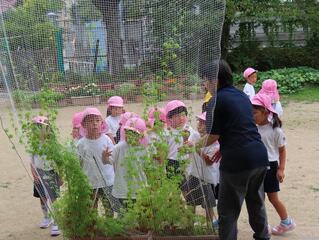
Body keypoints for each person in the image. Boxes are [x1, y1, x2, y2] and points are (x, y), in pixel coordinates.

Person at [200, 60, 270, 240]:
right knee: (256, 204)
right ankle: (263, 237)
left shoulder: (215, 100)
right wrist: (223, 149)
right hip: (259, 157)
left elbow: (212, 136)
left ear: (214, 80)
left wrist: (192, 145)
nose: (204, 84)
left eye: (206, 80)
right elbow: (239, 127)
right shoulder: (242, 96)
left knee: (228, 211)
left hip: (237, 162)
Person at [251, 93, 296, 235]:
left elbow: (282, 151)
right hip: (256, 167)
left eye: (255, 113)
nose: (252, 116)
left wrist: (281, 169)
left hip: (270, 168)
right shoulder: (254, 128)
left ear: (265, 111)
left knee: (273, 198)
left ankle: (286, 222)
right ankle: (263, 225)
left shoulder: (275, 130)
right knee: (259, 198)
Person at [77, 107, 120, 215]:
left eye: (97, 121)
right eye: (91, 121)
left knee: (109, 208)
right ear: (84, 124)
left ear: (102, 123)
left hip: (108, 180)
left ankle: (109, 228)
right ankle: (95, 228)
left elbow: (113, 160)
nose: (95, 124)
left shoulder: (106, 140)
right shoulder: (81, 144)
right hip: (89, 182)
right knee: (91, 209)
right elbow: (78, 162)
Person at [182, 112, 220, 227]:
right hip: (194, 174)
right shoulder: (195, 136)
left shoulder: (216, 143)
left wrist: (195, 148)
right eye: (199, 122)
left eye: (203, 123)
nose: (199, 125)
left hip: (207, 178)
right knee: (190, 201)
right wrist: (184, 147)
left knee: (208, 204)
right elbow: (188, 149)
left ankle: (209, 227)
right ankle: (189, 226)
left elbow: (209, 161)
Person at [103, 117, 148, 208]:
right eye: (127, 132)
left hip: (139, 187)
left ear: (141, 135)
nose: (129, 136)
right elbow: (108, 161)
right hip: (122, 189)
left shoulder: (144, 149)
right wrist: (104, 157)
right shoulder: (119, 147)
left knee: (140, 213)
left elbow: (147, 168)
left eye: (133, 133)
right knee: (126, 213)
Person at [30, 116, 61, 236]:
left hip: (51, 173)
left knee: (53, 199)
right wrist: (34, 174)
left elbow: (59, 162)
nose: (35, 131)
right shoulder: (33, 144)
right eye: (34, 128)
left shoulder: (53, 144)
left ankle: (57, 222)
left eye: (39, 128)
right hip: (38, 174)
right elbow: (31, 161)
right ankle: (46, 217)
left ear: (47, 129)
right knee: (42, 198)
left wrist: (60, 176)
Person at [164, 100, 200, 177]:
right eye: (177, 116)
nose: (181, 118)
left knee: (185, 185)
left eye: (183, 115)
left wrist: (191, 146)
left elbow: (197, 144)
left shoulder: (189, 130)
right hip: (171, 162)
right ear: (170, 118)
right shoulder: (167, 132)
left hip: (186, 162)